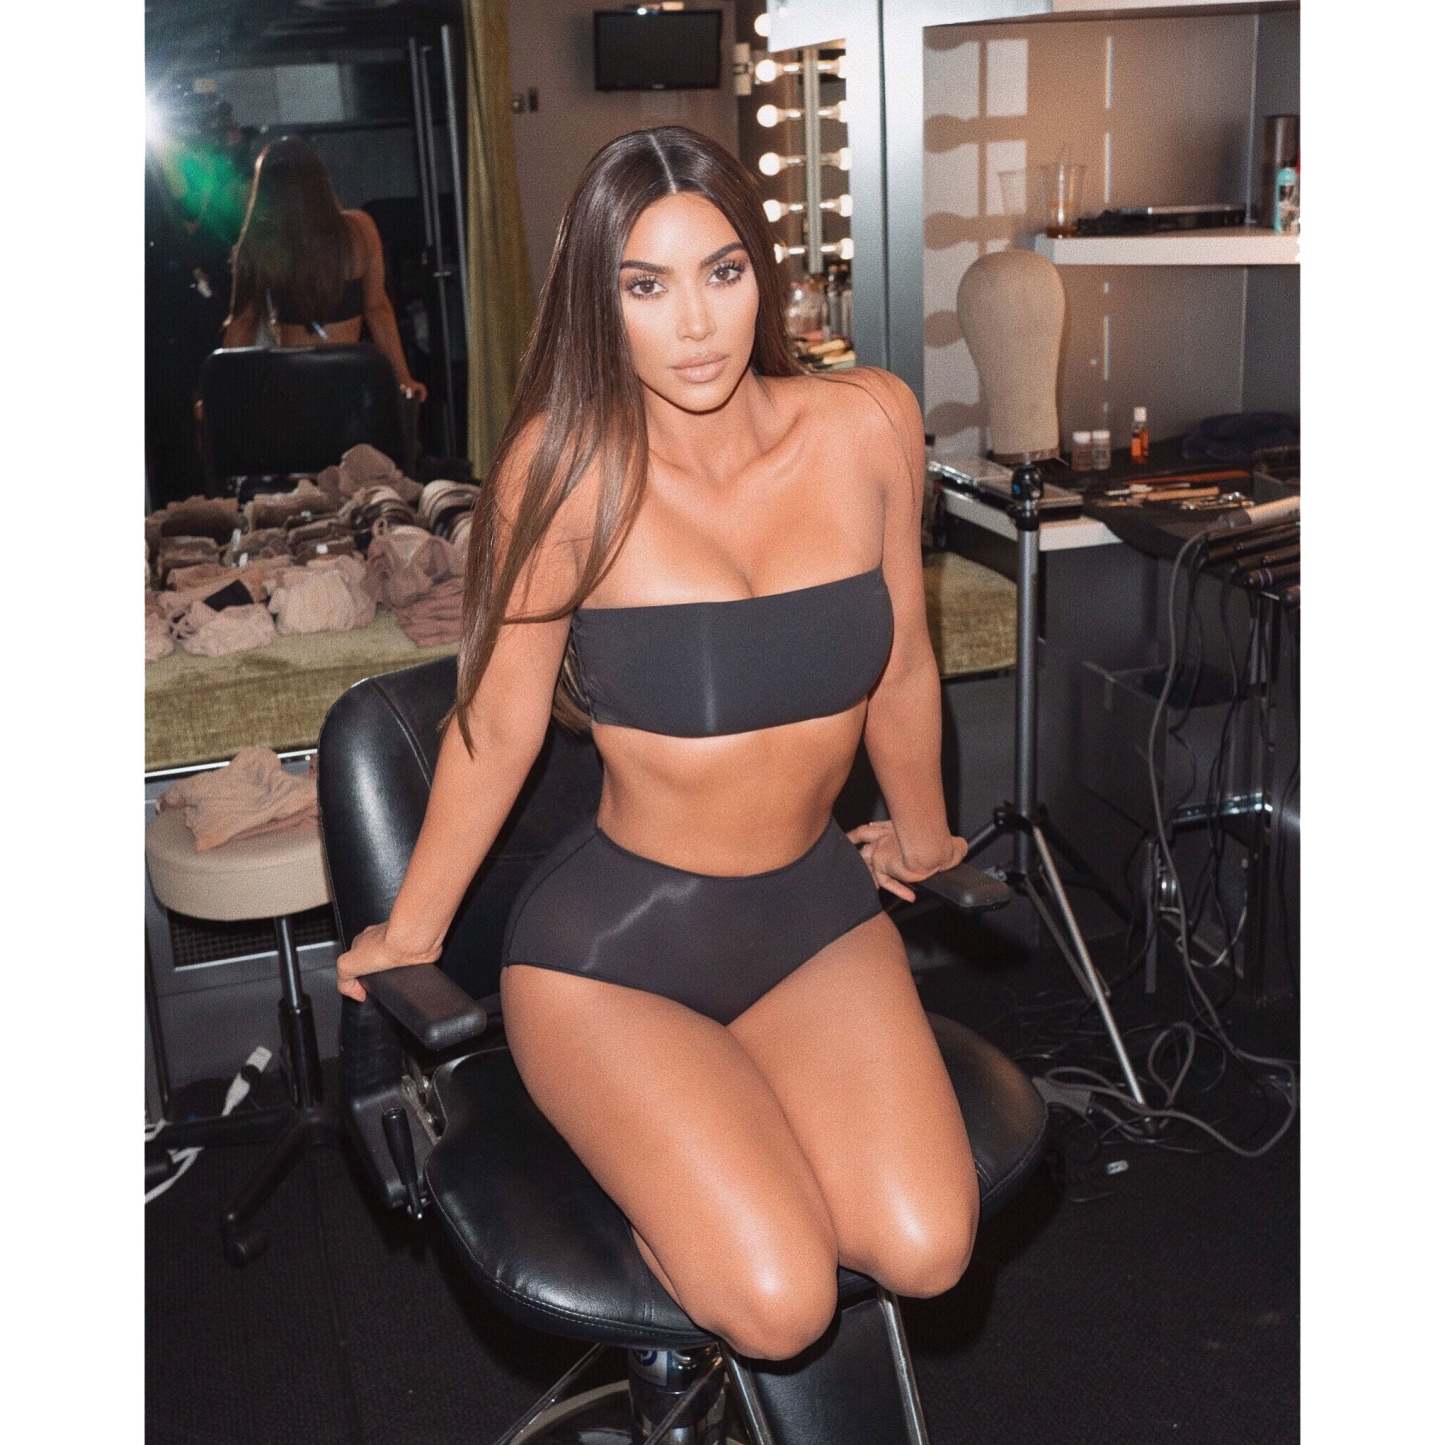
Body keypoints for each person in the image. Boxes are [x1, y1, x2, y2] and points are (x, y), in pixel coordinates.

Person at [335, 126, 979, 1363]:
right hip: (616, 954)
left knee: (926, 1245)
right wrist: (410, 932)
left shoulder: (869, 422)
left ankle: (732, 1146)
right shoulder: (561, 470)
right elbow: (499, 724)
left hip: (813, 915)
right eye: (646, 285)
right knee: (782, 1301)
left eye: (721, 272)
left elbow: (900, 661)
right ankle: (684, 1210)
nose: (694, 324)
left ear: (762, 276)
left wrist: (923, 831)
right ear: (601, 299)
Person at [220, 134, 427, 402]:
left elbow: (242, 323)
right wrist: (403, 378)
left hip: (295, 384)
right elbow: (377, 309)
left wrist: (221, 394)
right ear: (320, 180)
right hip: (349, 382)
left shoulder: (261, 242)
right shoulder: (360, 229)